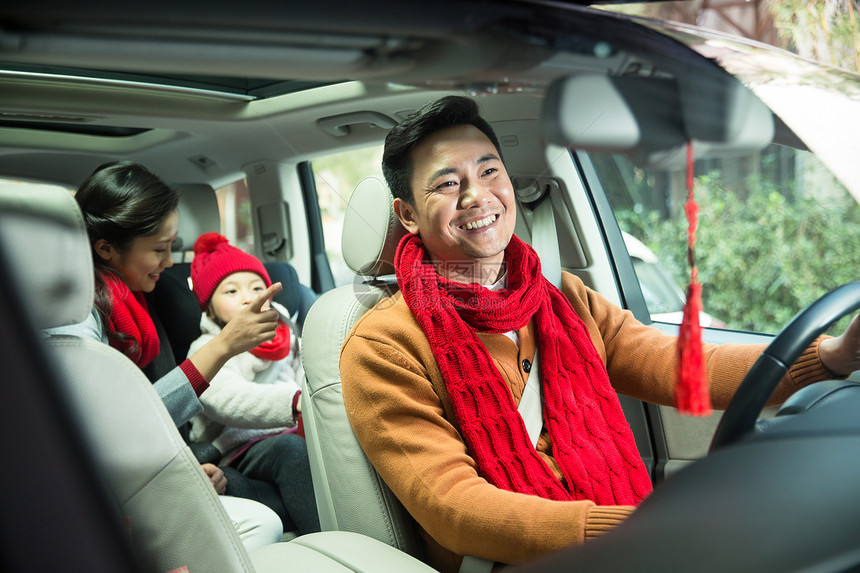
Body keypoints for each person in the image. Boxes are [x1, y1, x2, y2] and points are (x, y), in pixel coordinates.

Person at [339, 96, 860, 573]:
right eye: (448, 183)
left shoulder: (559, 295)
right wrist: (628, 531)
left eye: (489, 170)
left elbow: (677, 366)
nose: (477, 195)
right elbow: (453, 505)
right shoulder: (382, 345)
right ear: (407, 214)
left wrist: (833, 357)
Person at [47, 160, 285, 550]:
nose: (171, 263)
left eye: (172, 247)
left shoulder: (137, 302)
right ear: (105, 248)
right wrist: (223, 346)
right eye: (159, 250)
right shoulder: (74, 318)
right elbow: (120, 427)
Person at [187, 231, 320, 535]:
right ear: (209, 308)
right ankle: (327, 537)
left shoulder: (285, 334)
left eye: (257, 287)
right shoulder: (207, 347)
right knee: (290, 450)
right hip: (239, 445)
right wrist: (294, 400)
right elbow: (227, 399)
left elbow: (304, 374)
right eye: (231, 292)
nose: (247, 297)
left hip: (294, 428)